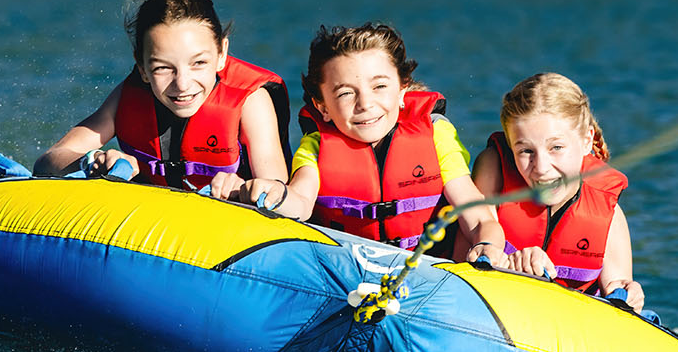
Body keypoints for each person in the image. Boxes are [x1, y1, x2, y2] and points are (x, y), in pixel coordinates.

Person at [218, 22, 506, 263]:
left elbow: (478, 217)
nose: (365, 104)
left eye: (379, 86)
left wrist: (487, 245)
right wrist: (275, 193)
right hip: (347, 274)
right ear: (322, 106)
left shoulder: (435, 135)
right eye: (345, 93)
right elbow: (302, 202)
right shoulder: (316, 146)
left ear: (402, 90)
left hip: (428, 273)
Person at [34, 0, 290, 191]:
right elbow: (48, 161)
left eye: (199, 63)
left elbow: (276, 191)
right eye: (163, 68)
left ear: (222, 53)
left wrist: (242, 190)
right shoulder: (129, 96)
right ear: (142, 67)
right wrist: (92, 161)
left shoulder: (251, 102)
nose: (183, 84)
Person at [464, 73, 643, 310]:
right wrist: (506, 263)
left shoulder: (608, 215)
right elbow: (467, 254)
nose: (541, 168)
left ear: (586, 140)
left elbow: (618, 289)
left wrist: (630, 293)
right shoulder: (493, 173)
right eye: (526, 151)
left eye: (556, 147)